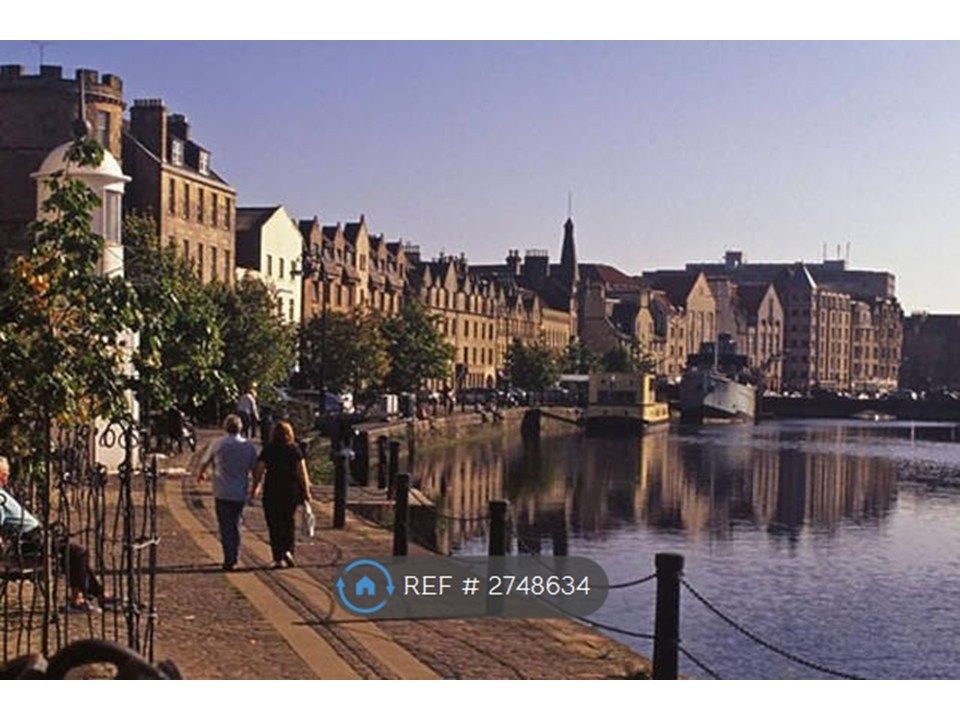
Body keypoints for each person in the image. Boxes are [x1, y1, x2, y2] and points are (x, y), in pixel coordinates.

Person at [0, 455, 112, 613]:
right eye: (4, 474)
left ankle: (95, 595)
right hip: (29, 541)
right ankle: (81, 598)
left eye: (6, 473)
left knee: (74, 552)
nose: (7, 477)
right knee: (77, 553)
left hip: (35, 536)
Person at [195, 415, 259, 571]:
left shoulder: (218, 444)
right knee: (237, 523)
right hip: (239, 491)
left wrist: (201, 474)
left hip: (222, 490)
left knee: (225, 525)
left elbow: (205, 461)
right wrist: (255, 487)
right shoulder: (248, 446)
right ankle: (235, 556)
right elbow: (256, 469)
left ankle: (228, 557)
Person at [250, 421, 313, 568]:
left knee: (274, 523)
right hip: (290, 490)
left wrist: (255, 487)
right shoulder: (295, 450)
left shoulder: (269, 449)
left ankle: (278, 557)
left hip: (272, 490)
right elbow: (302, 472)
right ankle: (289, 551)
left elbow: (259, 470)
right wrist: (306, 492)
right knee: (289, 522)